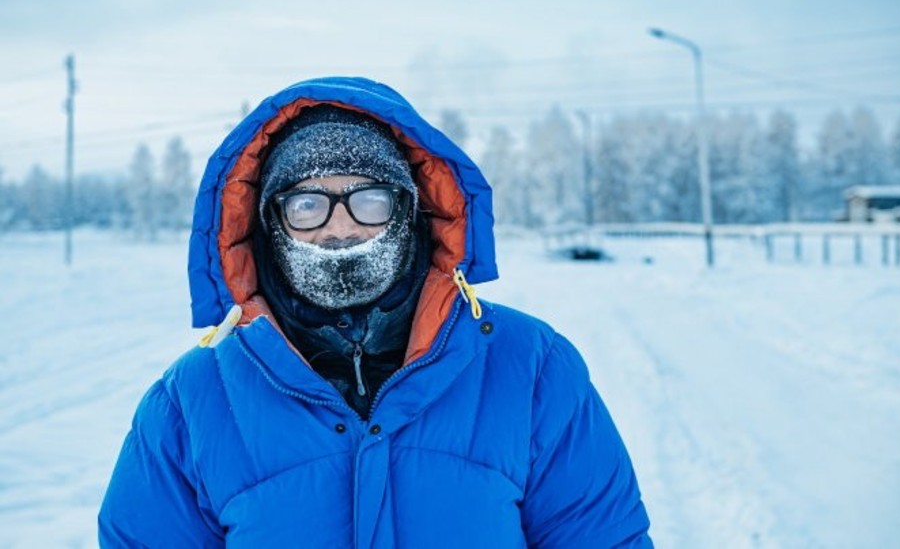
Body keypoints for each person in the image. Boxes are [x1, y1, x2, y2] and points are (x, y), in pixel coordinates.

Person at [98, 76, 652, 548]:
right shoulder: (192, 402)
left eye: (368, 199)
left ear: (410, 211)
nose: (340, 228)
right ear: (270, 223)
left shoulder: (530, 367)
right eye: (308, 204)